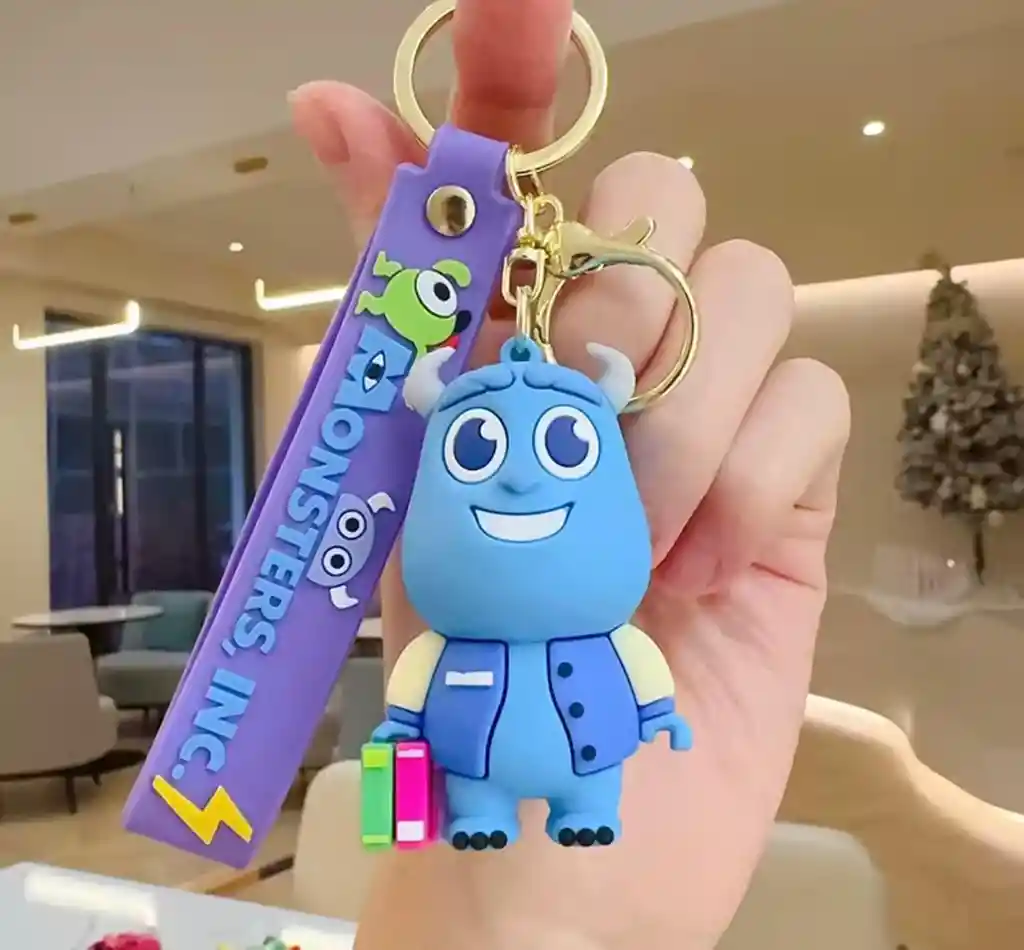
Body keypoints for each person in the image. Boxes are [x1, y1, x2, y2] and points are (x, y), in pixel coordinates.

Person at [290, 1, 851, 947]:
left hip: (587, 753)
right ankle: (485, 822)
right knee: (474, 799)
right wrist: (413, 781)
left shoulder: (613, 625)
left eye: (559, 454)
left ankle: (563, 811)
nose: (517, 483)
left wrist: (661, 711)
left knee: (577, 782)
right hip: (472, 782)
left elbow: (636, 672)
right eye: (475, 454)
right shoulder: (449, 629)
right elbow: (411, 702)